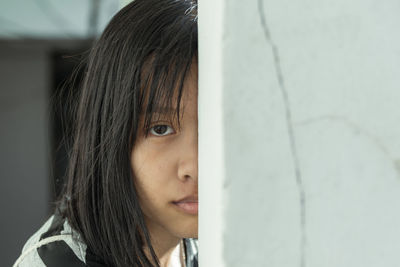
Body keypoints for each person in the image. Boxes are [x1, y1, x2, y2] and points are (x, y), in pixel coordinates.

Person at [13, 0, 198, 266]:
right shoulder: (60, 262)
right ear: (109, 134)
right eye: (160, 129)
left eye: (210, 128)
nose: (195, 167)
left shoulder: (206, 245)